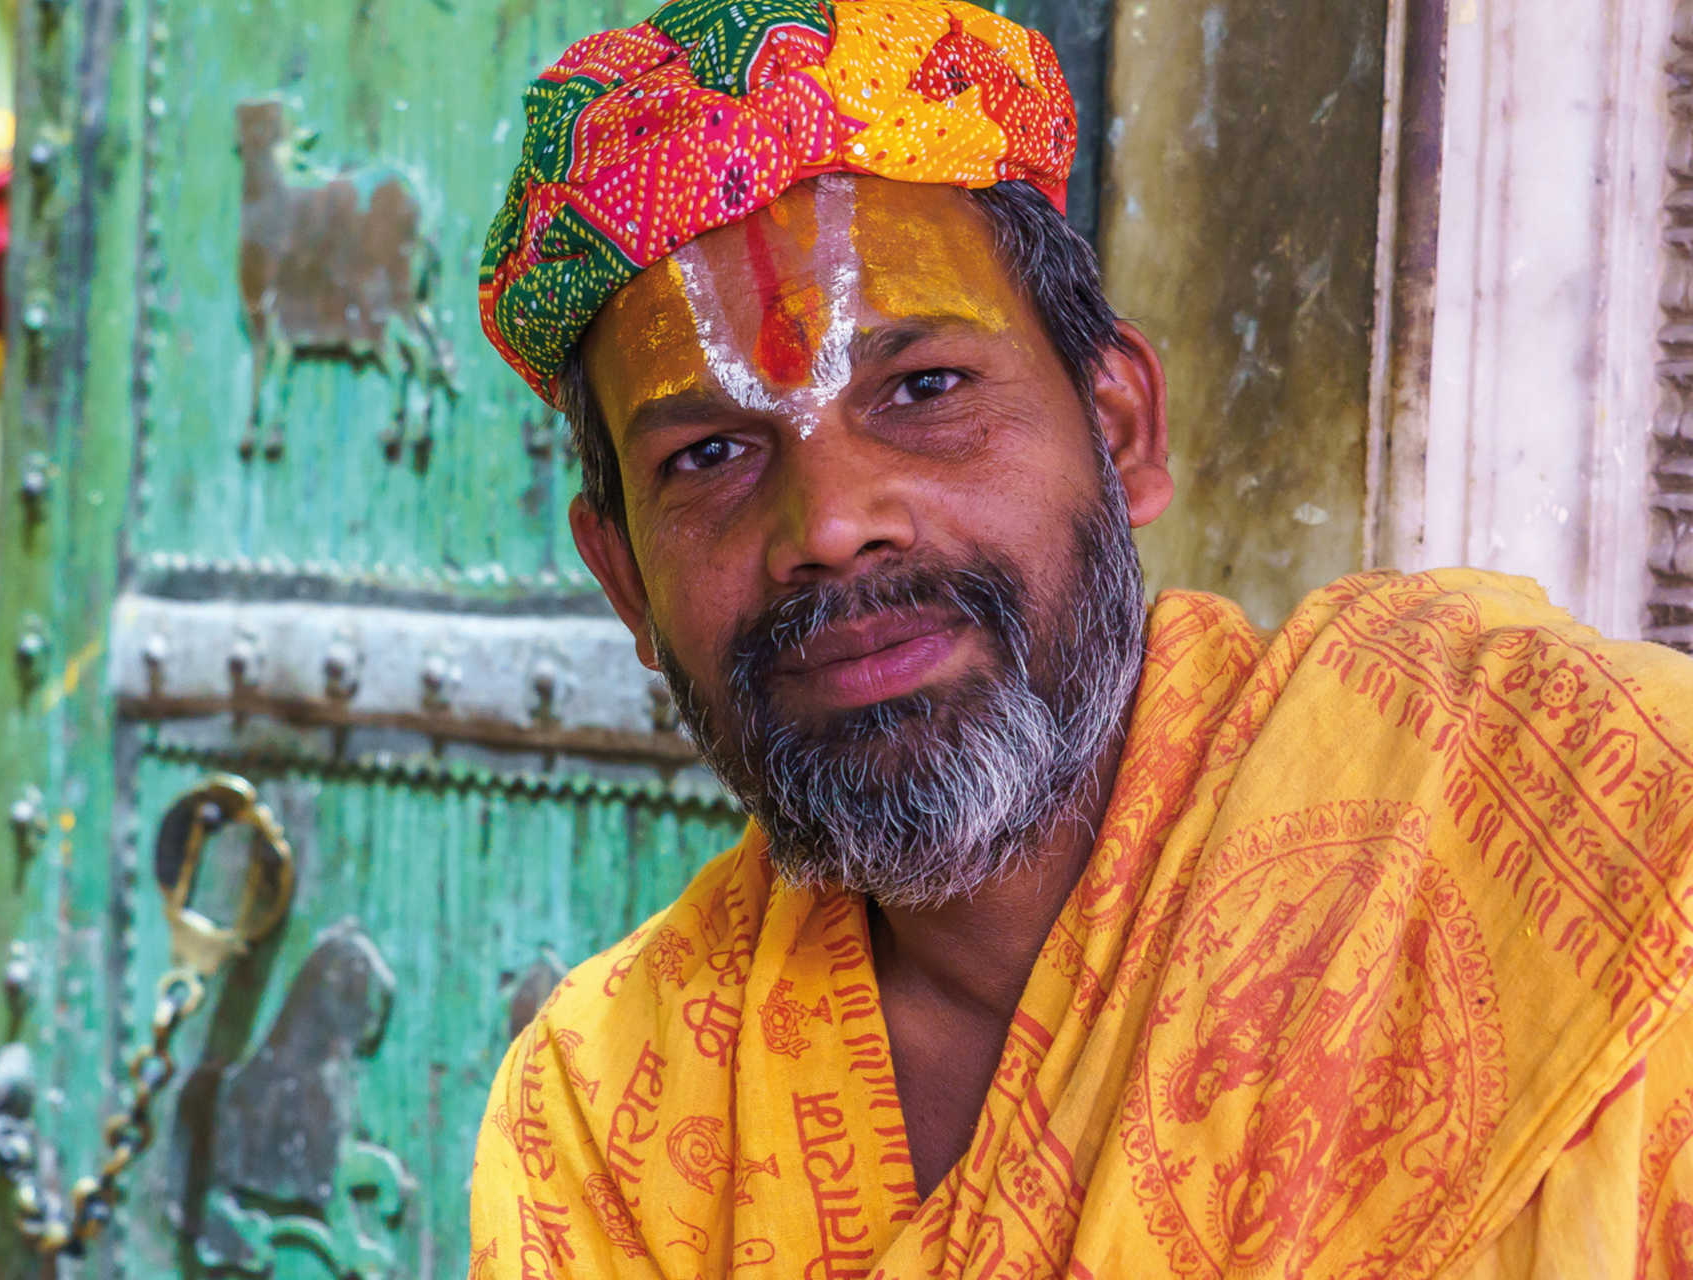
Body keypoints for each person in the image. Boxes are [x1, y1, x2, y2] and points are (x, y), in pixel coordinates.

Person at [468, 1, 1693, 1274]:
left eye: (923, 388)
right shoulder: (606, 1110)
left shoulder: (1597, 828)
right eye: (708, 453)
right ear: (622, 581)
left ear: (1120, 426)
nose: (830, 524)